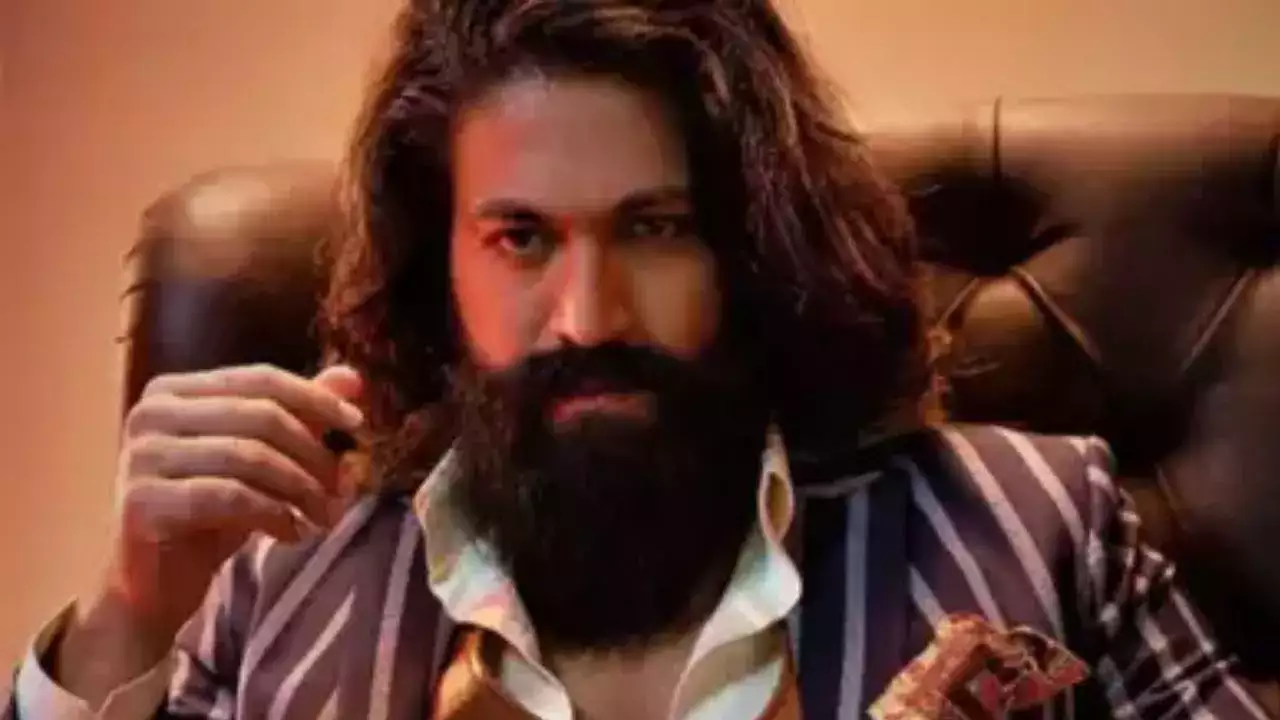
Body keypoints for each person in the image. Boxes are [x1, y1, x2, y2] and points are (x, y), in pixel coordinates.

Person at [5, 0, 1271, 718]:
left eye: (653, 229)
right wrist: (126, 619)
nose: (587, 317)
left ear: (749, 248)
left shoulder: (1046, 526)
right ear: (438, 272)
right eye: (519, 239)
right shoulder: (276, 585)